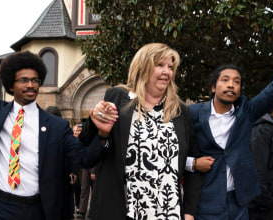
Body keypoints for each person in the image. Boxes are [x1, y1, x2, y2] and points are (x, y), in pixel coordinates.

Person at [0, 14, 112, 219]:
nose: (31, 85)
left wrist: (102, 135)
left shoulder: (56, 126)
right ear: (11, 85)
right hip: (2, 206)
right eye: (24, 80)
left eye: (35, 80)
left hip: (39, 210)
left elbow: (84, 158)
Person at [188, 20, 273, 220]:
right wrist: (192, 163)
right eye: (225, 80)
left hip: (240, 205)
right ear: (212, 87)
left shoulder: (246, 112)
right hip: (206, 203)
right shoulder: (192, 113)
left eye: (236, 82)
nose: (231, 85)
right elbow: (173, 149)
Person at [79, 43, 207, 220]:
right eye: (160, 65)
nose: (167, 72)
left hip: (167, 213)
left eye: (170, 67)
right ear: (143, 67)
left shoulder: (180, 111)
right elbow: (87, 147)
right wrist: (97, 124)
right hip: (119, 210)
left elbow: (192, 162)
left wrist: (189, 212)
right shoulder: (118, 97)